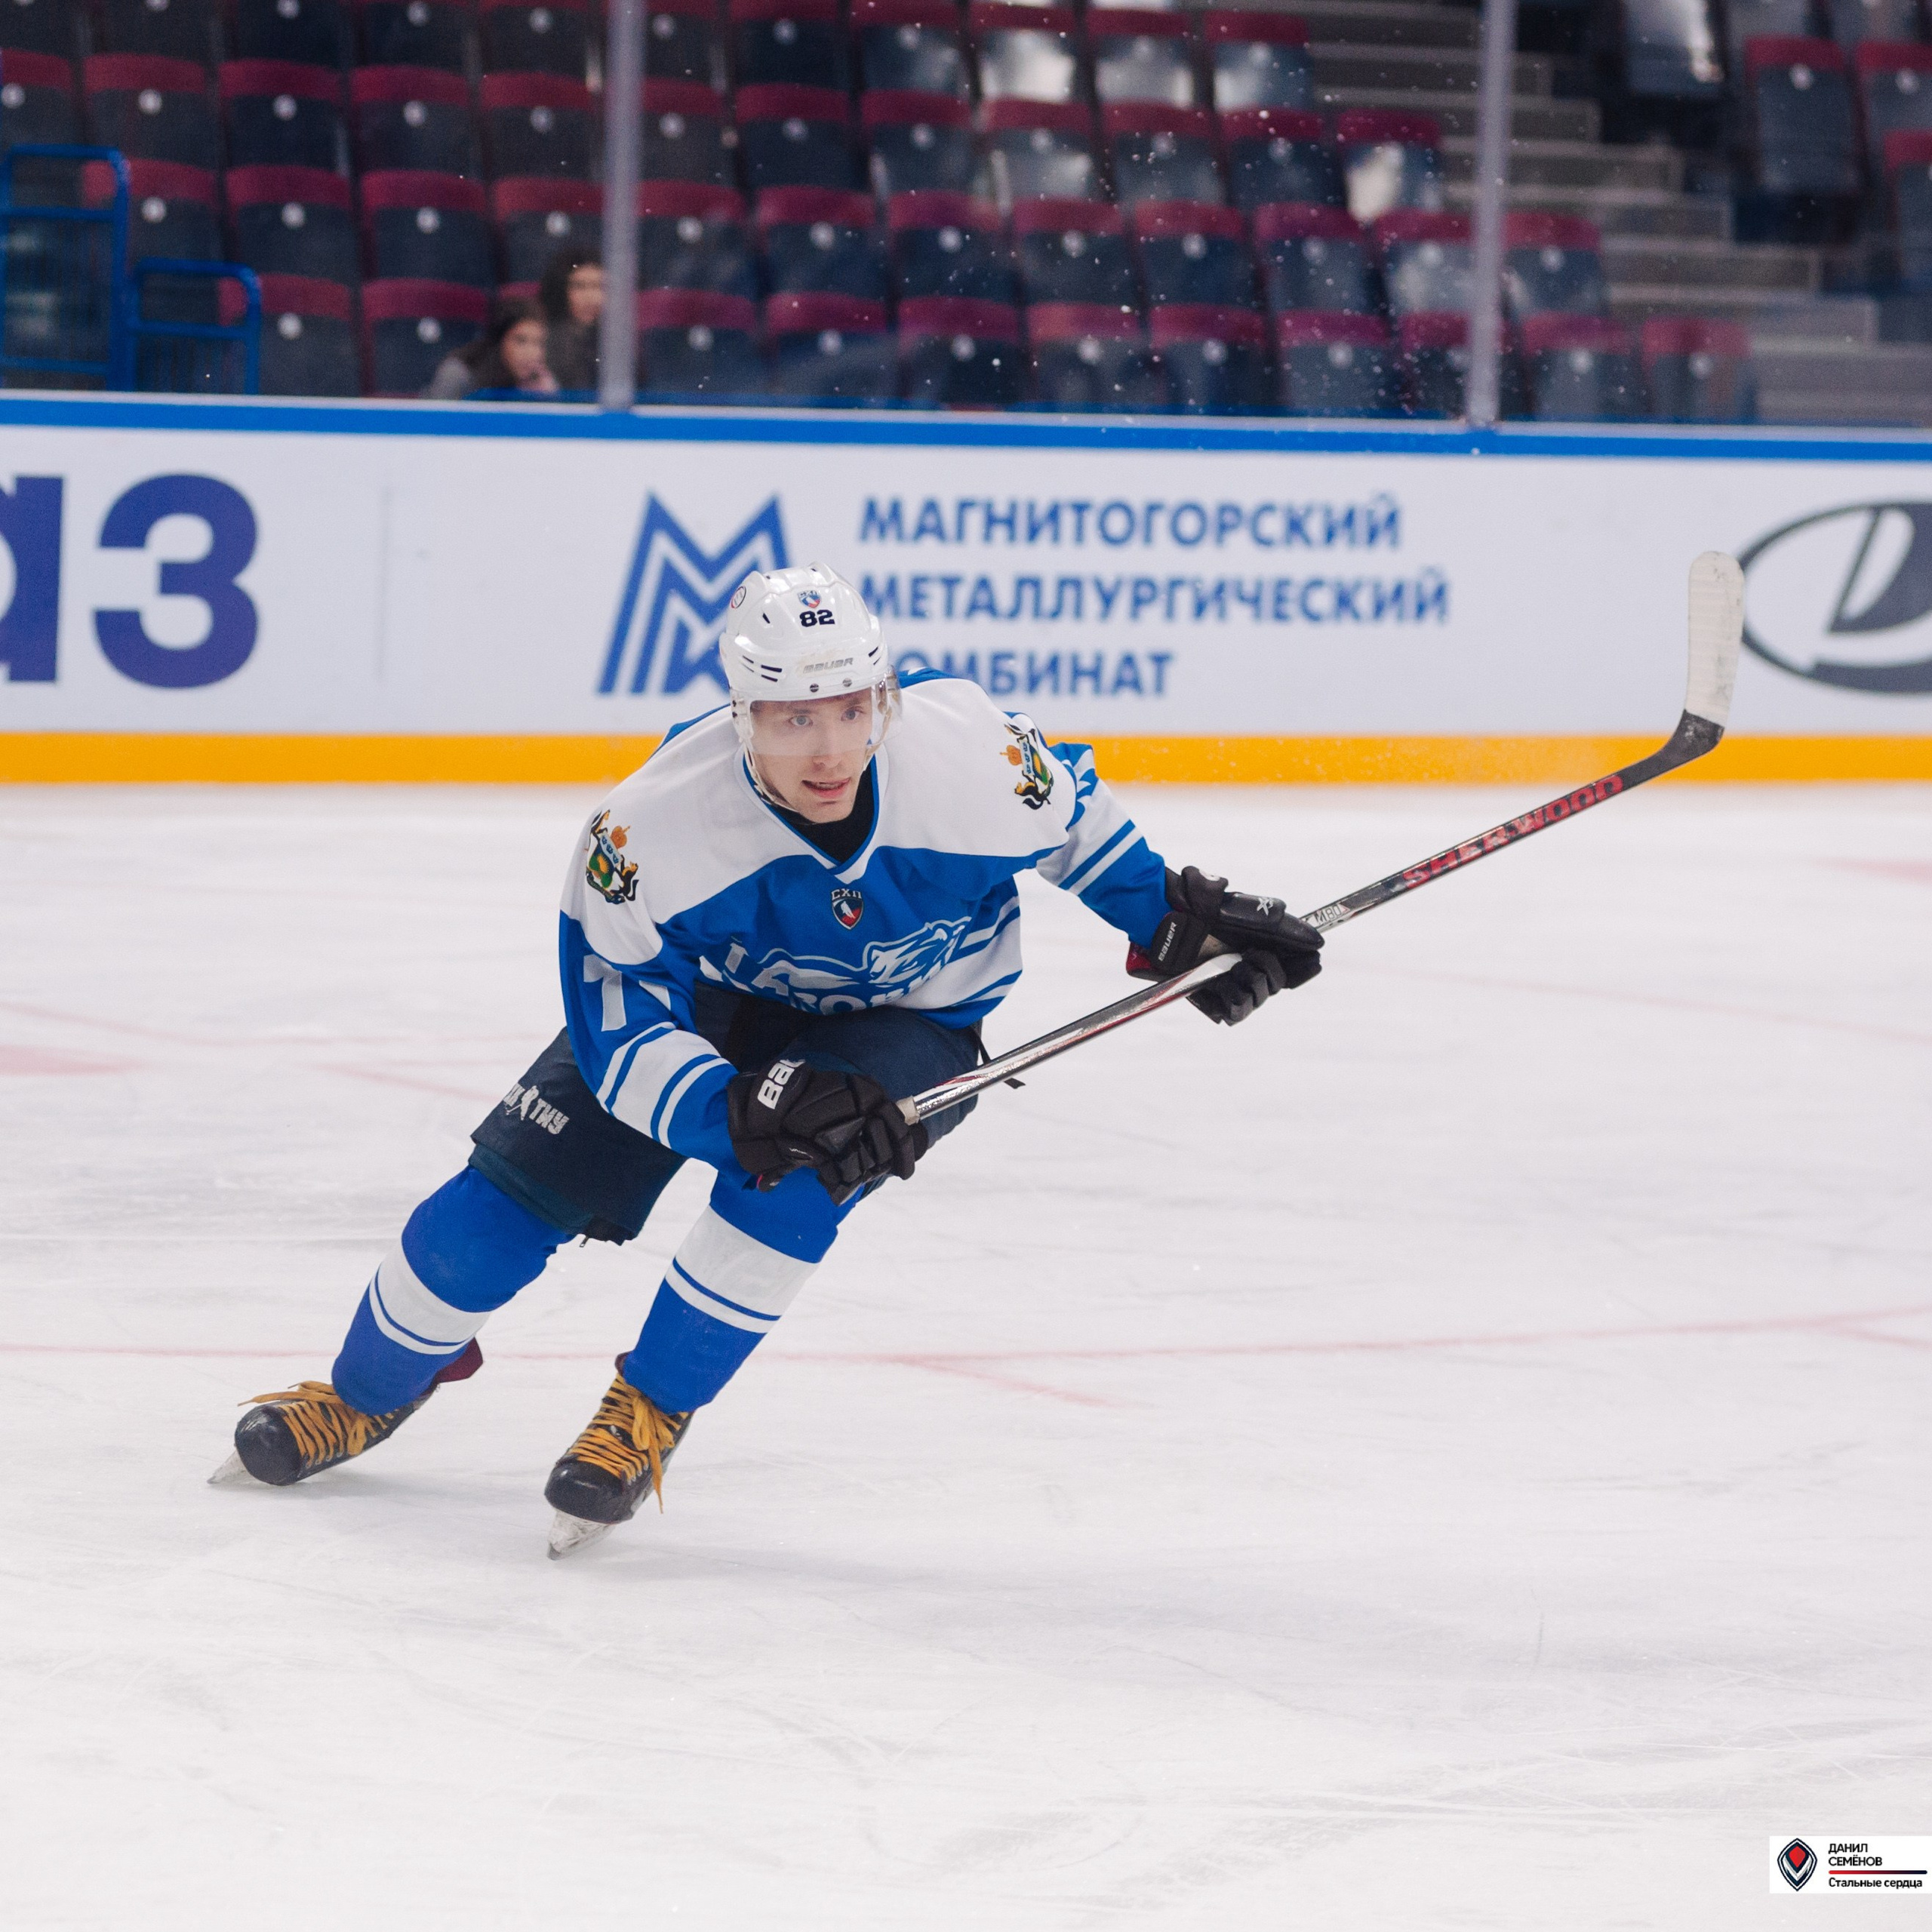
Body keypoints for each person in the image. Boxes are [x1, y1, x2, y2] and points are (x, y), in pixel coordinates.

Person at [214, 568, 1324, 1556]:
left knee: (801, 1177)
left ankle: (647, 1412)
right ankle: (362, 1396)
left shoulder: (972, 753)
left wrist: (1175, 924)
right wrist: (726, 1108)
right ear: (743, 715)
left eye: (851, 709)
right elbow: (616, 1020)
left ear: (883, 696)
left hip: (910, 1020)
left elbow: (1076, 823)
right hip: (711, 1010)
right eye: (794, 719)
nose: (830, 748)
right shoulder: (646, 832)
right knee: (494, 1213)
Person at [420, 296, 558, 401]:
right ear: (499, 341)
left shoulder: (542, 383)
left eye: (538, 343)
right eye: (520, 341)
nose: (532, 354)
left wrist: (549, 399)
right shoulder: (459, 374)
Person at [537, 248, 604, 395]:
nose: (591, 298)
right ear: (561, 290)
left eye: (599, 286)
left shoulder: (615, 341)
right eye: (579, 286)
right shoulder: (543, 339)